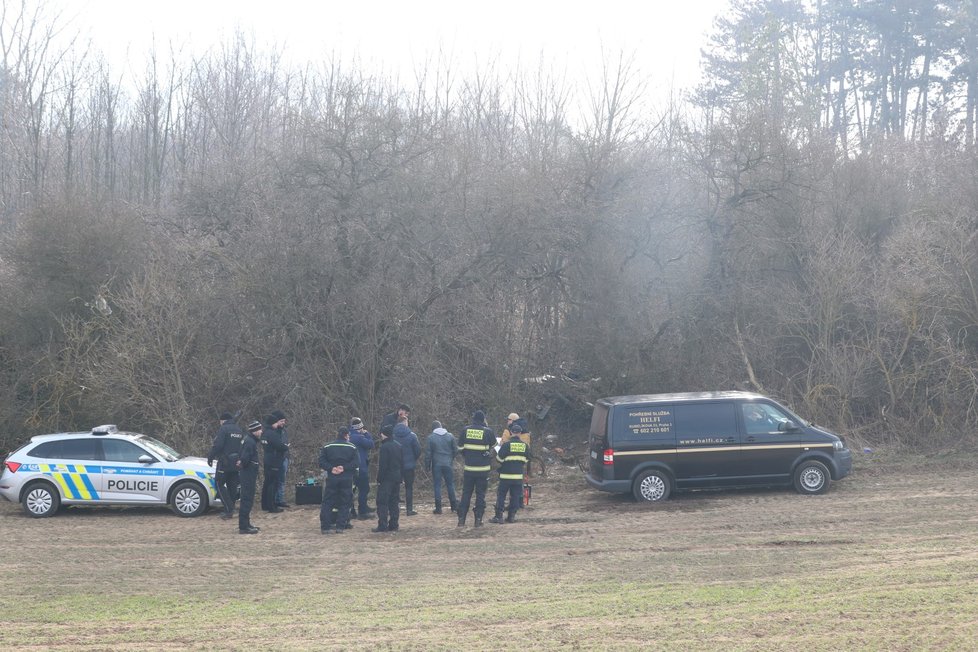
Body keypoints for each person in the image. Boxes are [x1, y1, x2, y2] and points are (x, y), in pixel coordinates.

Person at [457, 410, 495, 528]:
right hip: (483, 470)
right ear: (483, 420)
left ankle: (461, 520)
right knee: (480, 495)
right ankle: (478, 520)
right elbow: (493, 447)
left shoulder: (465, 430)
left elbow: (460, 448)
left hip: (469, 468)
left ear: (473, 418)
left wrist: (468, 456)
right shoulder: (488, 431)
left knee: (466, 494)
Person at [319, 426, 360, 534]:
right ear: (346, 435)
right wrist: (344, 468)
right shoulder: (352, 447)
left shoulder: (327, 446)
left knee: (328, 502)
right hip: (346, 478)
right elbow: (356, 463)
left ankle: (325, 527)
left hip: (332, 478)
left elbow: (321, 461)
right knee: (345, 502)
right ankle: (340, 526)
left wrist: (331, 468)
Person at [207, 411, 244, 520]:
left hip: (224, 462)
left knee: (218, 483)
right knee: (232, 486)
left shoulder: (223, 429)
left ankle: (228, 509)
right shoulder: (239, 429)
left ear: (223, 421)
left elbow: (218, 445)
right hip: (236, 462)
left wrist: (210, 457)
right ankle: (231, 508)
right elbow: (242, 446)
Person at [490, 424, 529, 524]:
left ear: (511, 432)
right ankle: (511, 517)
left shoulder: (506, 445)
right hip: (518, 477)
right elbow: (527, 459)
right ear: (520, 433)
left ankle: (499, 517)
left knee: (501, 496)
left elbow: (499, 459)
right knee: (515, 496)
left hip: (505, 476)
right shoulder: (525, 446)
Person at [373, 424, 403, 533]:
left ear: (384, 434)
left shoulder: (385, 447)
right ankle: (394, 524)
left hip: (386, 479)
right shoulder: (398, 446)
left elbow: (383, 466)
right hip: (397, 478)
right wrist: (401, 477)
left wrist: (379, 479)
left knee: (382, 502)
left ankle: (383, 525)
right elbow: (402, 463)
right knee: (394, 502)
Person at [424, 420, 458, 514]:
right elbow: (456, 450)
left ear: (433, 428)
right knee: (450, 484)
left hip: (437, 465)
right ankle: (454, 507)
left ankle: (438, 508)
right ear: (441, 426)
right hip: (448, 464)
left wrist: (427, 466)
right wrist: (451, 459)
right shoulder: (450, 436)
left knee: (437, 486)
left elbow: (428, 454)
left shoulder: (431, 438)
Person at [236, 420, 263, 534]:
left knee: (248, 499)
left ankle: (247, 523)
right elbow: (245, 458)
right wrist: (245, 465)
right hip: (248, 474)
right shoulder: (250, 442)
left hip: (248, 473)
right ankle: (243, 526)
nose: (261, 431)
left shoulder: (249, 440)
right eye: (260, 429)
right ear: (255, 431)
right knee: (247, 499)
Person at [393, 414, 421, 516]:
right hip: (409, 465)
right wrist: (413, 459)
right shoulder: (412, 435)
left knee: (395, 487)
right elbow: (418, 450)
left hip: (396, 465)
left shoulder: (392, 435)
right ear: (405, 422)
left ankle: (394, 508)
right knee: (409, 487)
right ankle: (409, 510)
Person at [260, 412, 289, 512]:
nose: (277, 425)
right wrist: (286, 447)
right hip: (274, 461)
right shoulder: (272, 433)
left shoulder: (264, 433)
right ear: (273, 423)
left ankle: (264, 505)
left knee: (267, 483)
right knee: (273, 483)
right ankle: (272, 506)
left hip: (267, 459)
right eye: (276, 423)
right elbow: (279, 446)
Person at [348, 417, 375, 520]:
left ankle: (352, 511)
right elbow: (371, 444)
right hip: (361, 468)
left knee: (351, 490)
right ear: (359, 428)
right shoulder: (359, 437)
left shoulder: (349, 436)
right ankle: (362, 511)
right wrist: (366, 434)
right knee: (364, 489)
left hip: (350, 468)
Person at [269, 410, 290, 508]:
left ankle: (280, 499)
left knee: (282, 480)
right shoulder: (272, 432)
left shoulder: (284, 431)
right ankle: (273, 500)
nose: (283, 423)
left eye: (284, 421)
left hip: (284, 458)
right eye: (281, 421)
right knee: (275, 480)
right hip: (276, 459)